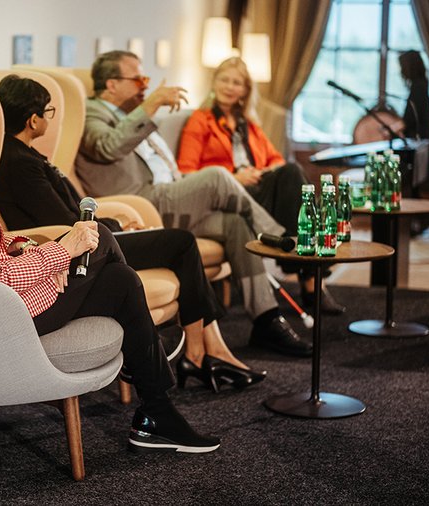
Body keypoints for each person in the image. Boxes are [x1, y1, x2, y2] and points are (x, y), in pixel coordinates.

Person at [0, 65, 219, 453]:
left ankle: (156, 410)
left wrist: (33, 251)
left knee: (121, 280)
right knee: (102, 239)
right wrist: (59, 253)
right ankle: (151, 372)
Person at [0, 74, 266, 391]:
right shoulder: (19, 162)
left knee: (178, 244)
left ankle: (205, 350)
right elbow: (64, 222)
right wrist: (119, 226)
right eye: (48, 113)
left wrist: (119, 223)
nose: (50, 120)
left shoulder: (25, 155)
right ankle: (200, 352)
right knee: (181, 242)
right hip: (80, 249)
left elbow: (73, 212)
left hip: (89, 237)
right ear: (33, 119)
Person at [76, 50, 312, 357]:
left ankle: (266, 319)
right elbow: (108, 147)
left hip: (170, 197)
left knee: (235, 224)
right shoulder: (93, 113)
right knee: (216, 176)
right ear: (111, 84)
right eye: (139, 79)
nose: (145, 86)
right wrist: (150, 106)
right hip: (140, 202)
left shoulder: (130, 113)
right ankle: (281, 239)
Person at [177, 57, 345, 314]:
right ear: (214, 82)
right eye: (224, 80)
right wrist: (234, 176)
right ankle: (311, 280)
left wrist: (263, 171)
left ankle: (305, 267)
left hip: (257, 188)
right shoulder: (201, 121)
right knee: (293, 177)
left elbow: (276, 159)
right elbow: (186, 172)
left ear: (245, 90)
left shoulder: (249, 125)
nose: (229, 87)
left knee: (290, 172)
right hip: (227, 194)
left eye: (236, 82)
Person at [399, 50, 429, 197]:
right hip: (421, 144)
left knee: (416, 186)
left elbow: (409, 119)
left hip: (420, 147)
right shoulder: (421, 85)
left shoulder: (418, 87)